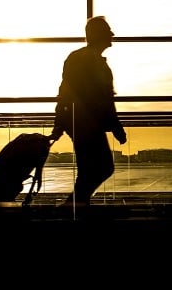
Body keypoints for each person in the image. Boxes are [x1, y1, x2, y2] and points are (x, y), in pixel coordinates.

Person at [50, 16, 127, 210]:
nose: (112, 35)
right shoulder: (93, 61)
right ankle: (75, 204)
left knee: (89, 169)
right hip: (87, 123)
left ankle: (77, 205)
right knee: (103, 167)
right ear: (98, 35)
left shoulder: (77, 57)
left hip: (78, 121)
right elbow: (104, 99)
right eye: (108, 31)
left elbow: (65, 92)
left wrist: (59, 123)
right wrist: (117, 127)